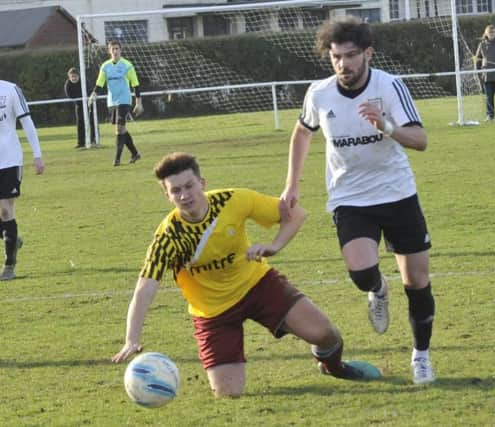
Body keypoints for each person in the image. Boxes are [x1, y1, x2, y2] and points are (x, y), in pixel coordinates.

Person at [111, 152, 381, 398]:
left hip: (258, 286)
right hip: (212, 314)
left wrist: (274, 245)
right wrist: (132, 338)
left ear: (202, 183)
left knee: (327, 335)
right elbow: (145, 288)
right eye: (176, 190)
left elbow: (295, 214)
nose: (184, 195)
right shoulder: (168, 237)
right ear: (167, 196)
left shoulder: (232, 200)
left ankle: (333, 367)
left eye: (189, 186)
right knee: (228, 394)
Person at [280, 18, 436, 385]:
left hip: (398, 194)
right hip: (349, 197)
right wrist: (292, 185)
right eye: (336, 57)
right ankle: (378, 290)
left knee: (417, 282)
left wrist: (387, 127)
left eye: (350, 56)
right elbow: (302, 133)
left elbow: (421, 139)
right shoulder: (318, 93)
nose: (343, 64)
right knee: (362, 273)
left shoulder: (390, 85)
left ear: (368, 53)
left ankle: (421, 356)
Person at [0, 80, 45, 281]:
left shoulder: (10, 90)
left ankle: (9, 265)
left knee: (5, 210)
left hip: (9, 159)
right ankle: (11, 237)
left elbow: (26, 121)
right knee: (5, 215)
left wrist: (37, 155)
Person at [89, 40, 142, 166]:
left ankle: (117, 159)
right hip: (112, 101)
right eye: (113, 49)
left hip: (124, 101)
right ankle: (135, 153)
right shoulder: (105, 66)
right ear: (109, 51)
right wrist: (93, 94)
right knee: (121, 129)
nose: (115, 51)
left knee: (119, 128)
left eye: (117, 48)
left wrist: (138, 103)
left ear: (120, 50)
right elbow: (100, 83)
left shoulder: (127, 65)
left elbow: (136, 85)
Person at [64, 67, 97, 148]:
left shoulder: (84, 81)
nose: (74, 78)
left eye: (75, 76)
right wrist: (79, 98)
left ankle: (94, 140)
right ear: (69, 77)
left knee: (92, 122)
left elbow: (90, 91)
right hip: (79, 105)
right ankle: (80, 142)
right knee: (80, 123)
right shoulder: (68, 84)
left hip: (88, 103)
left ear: (78, 76)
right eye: (72, 76)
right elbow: (69, 95)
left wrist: (88, 100)